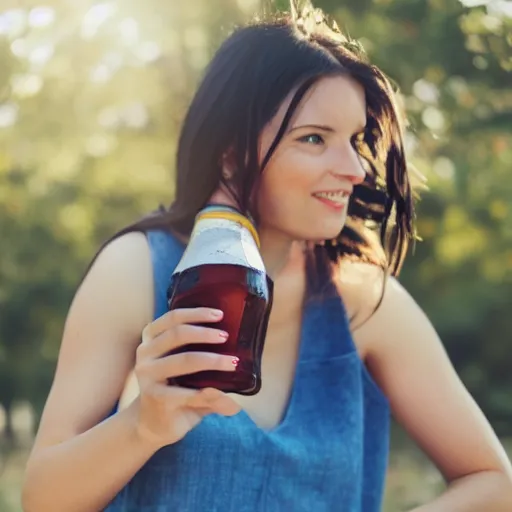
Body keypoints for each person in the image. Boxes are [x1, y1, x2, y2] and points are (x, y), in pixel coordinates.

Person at [22, 5, 512, 512]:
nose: (354, 169)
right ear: (231, 152)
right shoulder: (135, 271)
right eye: (314, 138)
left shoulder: (364, 299)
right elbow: (43, 499)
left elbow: (494, 481)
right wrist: (142, 424)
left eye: (354, 140)